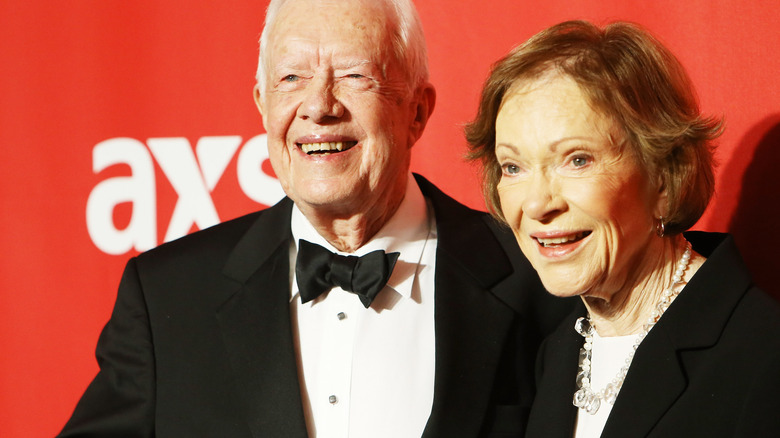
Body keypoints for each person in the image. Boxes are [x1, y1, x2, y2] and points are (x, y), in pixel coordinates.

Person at [59, 1, 571, 437]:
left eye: (353, 76)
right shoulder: (166, 298)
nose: (319, 106)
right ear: (262, 104)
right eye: (291, 78)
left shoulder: (538, 278)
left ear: (417, 111)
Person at [466, 20, 780, 438]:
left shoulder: (765, 357)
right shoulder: (555, 353)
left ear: (665, 177)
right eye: (513, 167)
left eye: (577, 159)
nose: (538, 204)